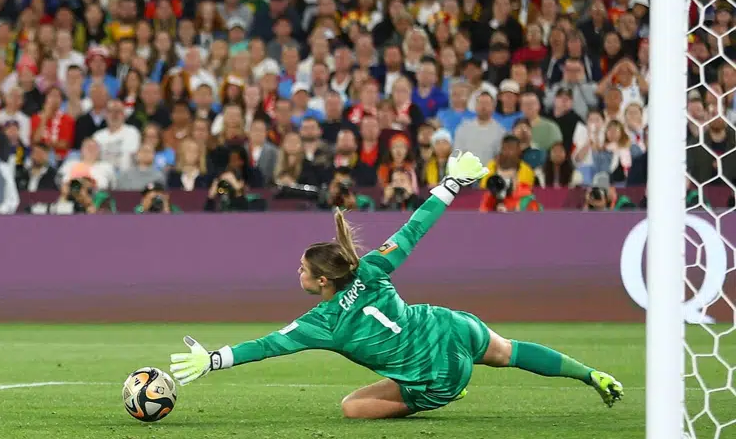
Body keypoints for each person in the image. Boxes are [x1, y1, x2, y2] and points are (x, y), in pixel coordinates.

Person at [169, 151, 624, 418]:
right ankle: (591, 374)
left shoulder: (320, 322)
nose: (298, 274)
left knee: (352, 407)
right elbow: (415, 227)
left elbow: (267, 345)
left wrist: (212, 360)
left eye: (303, 270)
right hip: (449, 326)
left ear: (322, 280)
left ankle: (447, 393)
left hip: (437, 378)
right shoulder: (370, 267)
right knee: (509, 352)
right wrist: (450, 185)